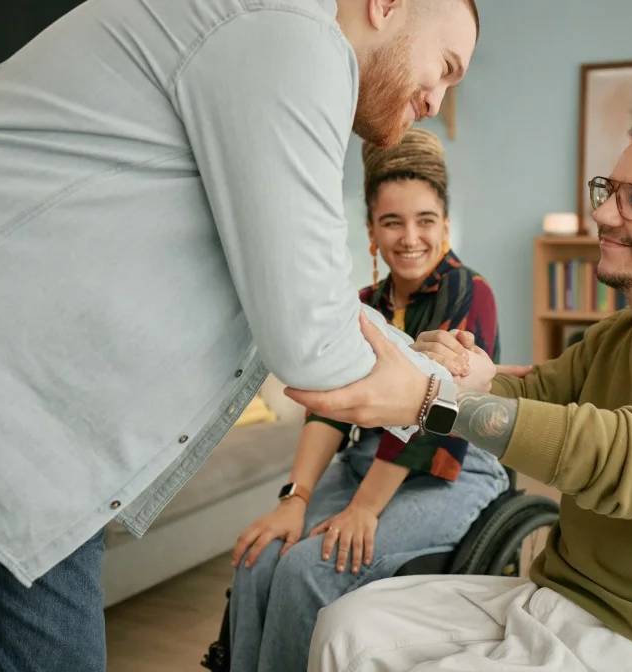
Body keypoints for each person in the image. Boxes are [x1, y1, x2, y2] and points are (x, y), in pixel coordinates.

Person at [0, 0, 480, 669]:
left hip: (29, 455)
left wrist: (419, 362)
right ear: (387, 4)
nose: (437, 100)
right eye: (444, 66)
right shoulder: (287, 31)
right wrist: (448, 391)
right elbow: (310, 340)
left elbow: (307, 298)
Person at [287, 114, 632, 672]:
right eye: (608, 191)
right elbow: (530, 395)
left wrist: (436, 400)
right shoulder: (613, 337)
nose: (603, 213)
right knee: (345, 627)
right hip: (558, 597)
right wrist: (463, 374)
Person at [226, 127, 510, 672]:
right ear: (371, 232)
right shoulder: (362, 304)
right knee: (258, 558)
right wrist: (295, 498)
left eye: (425, 220)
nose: (410, 237)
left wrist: (364, 509)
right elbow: (328, 409)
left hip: (450, 471)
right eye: (392, 222)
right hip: (366, 464)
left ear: (446, 225)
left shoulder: (471, 294)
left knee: (307, 568)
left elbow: (433, 416)